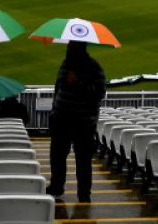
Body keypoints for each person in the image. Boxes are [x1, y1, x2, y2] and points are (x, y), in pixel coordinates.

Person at [46, 41, 106, 203]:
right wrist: (54, 110)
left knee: (83, 160)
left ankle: (84, 194)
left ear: (79, 49)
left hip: (83, 123)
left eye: (70, 47)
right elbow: (58, 88)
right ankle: (56, 186)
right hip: (61, 119)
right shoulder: (65, 64)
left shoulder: (94, 67)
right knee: (57, 156)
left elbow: (99, 94)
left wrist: (78, 82)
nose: (67, 49)